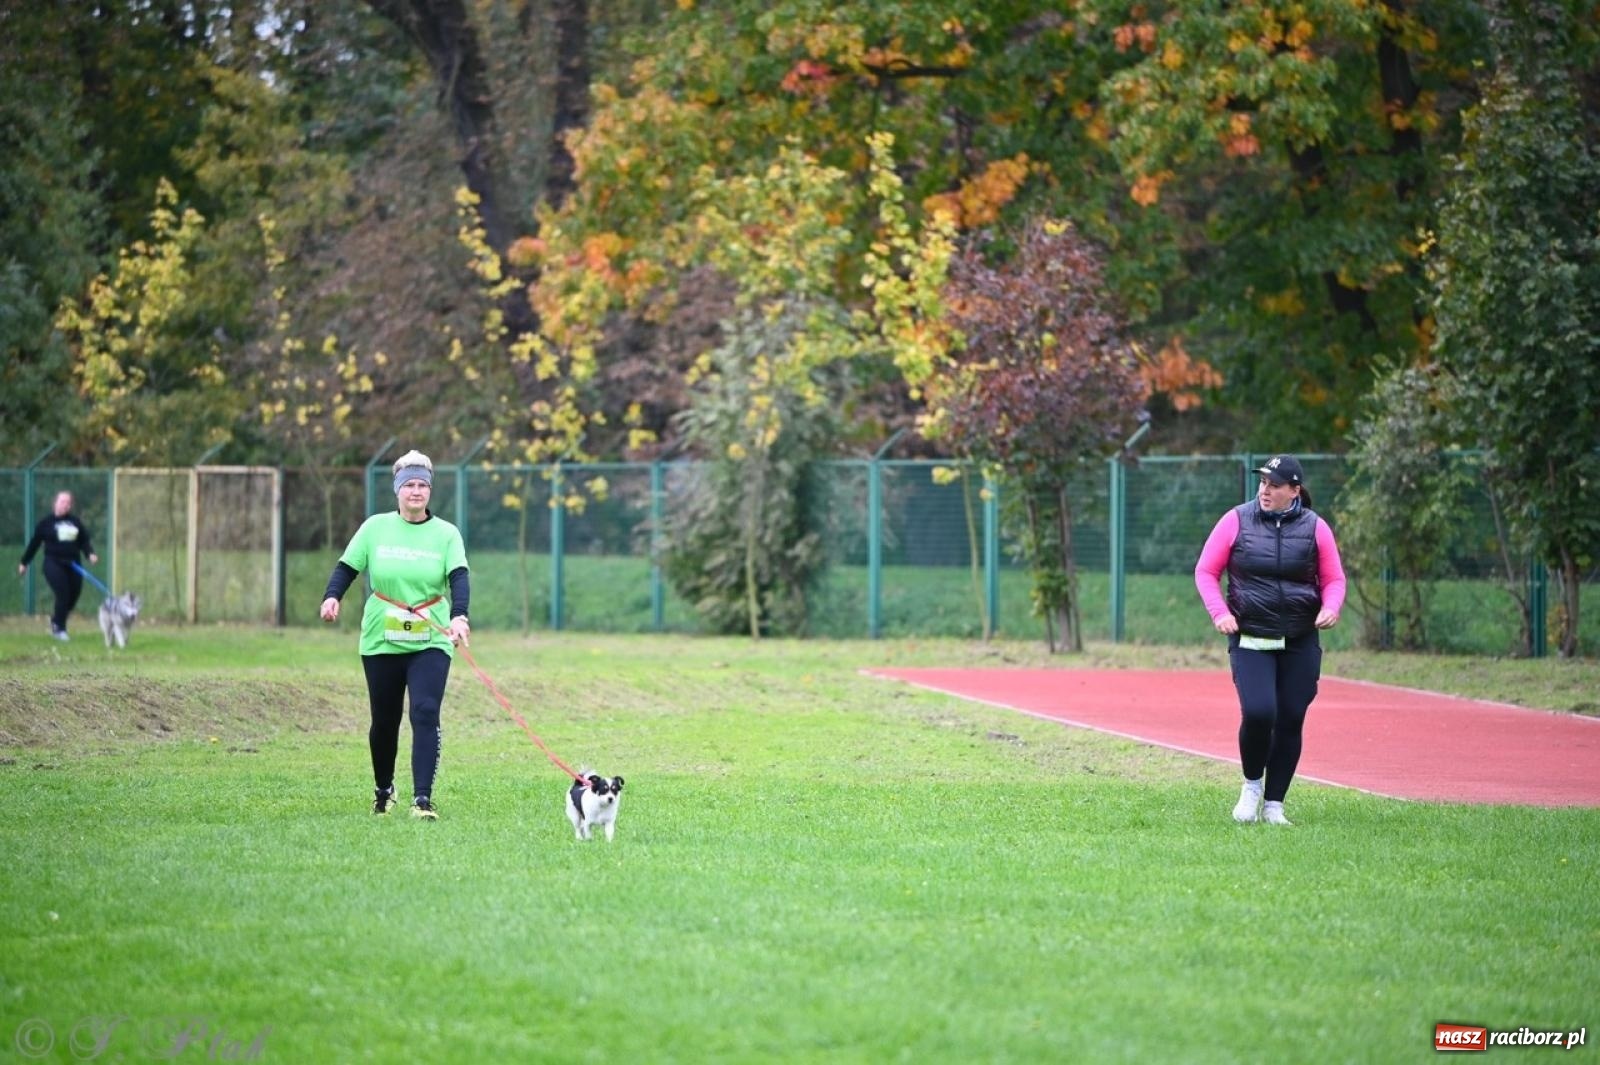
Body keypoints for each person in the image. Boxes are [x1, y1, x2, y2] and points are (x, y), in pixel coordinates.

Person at [1194, 455, 1346, 826]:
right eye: (1263, 483)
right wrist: (1220, 613)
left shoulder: (1316, 528)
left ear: (1294, 491)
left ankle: (1275, 805)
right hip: (1252, 636)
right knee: (1261, 712)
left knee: (1291, 717)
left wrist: (1332, 607)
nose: (1265, 490)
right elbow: (1205, 571)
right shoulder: (1236, 520)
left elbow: (1334, 579)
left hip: (1298, 638)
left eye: (1275, 485)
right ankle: (1251, 787)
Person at [320, 450, 471, 820]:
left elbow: (459, 577)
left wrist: (459, 616)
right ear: (397, 491)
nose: (416, 492)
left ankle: (422, 799)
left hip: (431, 635)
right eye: (409, 486)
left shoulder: (446, 534)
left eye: (422, 485)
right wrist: (331, 597)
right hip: (381, 636)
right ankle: (384, 789)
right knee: (384, 720)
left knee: (424, 710)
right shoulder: (375, 528)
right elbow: (347, 566)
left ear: (430, 491)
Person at [18, 491, 100, 642]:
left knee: (73, 595)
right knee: (63, 593)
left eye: (68, 503)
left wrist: (90, 554)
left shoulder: (75, 522)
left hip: (74, 564)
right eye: (62, 502)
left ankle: (56, 620)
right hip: (53, 563)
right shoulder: (45, 523)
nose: (65, 505)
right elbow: (34, 544)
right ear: (55, 503)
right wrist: (24, 562)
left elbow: (84, 541)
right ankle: (60, 629)